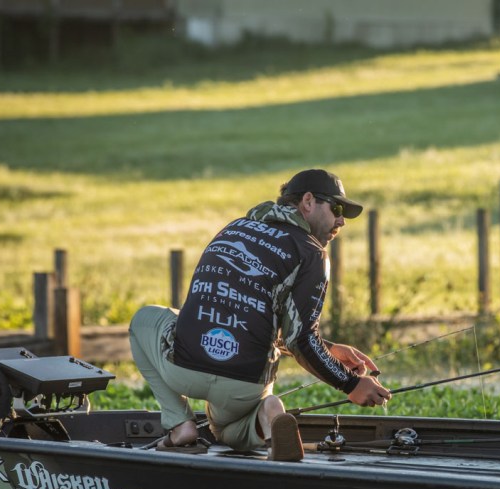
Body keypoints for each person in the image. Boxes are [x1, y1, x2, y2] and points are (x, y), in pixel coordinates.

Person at [129, 169, 391, 460]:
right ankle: (267, 412)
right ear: (308, 201)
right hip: (243, 384)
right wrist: (351, 383)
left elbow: (254, 319)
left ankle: (179, 424)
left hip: (184, 368)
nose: (341, 221)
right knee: (228, 430)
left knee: (142, 320)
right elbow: (301, 338)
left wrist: (328, 349)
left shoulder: (234, 229)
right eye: (337, 209)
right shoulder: (311, 253)